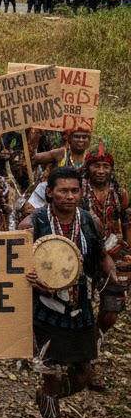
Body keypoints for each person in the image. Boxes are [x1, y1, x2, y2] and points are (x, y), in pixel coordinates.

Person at [19, 168, 113, 418]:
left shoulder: (88, 221)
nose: (70, 196)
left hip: (80, 306)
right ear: (49, 192)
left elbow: (100, 257)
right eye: (63, 191)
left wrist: (114, 278)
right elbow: (12, 266)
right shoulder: (33, 223)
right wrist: (28, 277)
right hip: (44, 309)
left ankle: (48, 400)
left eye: (75, 191)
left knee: (83, 375)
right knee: (50, 373)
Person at [81, 150, 130, 390]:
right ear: (88, 168)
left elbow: (127, 221)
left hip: (114, 252)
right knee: (80, 308)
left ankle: (95, 338)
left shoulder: (119, 194)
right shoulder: (78, 192)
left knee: (111, 311)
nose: (101, 170)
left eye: (105, 166)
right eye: (96, 166)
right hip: (84, 254)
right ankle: (84, 361)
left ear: (111, 170)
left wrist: (128, 248)